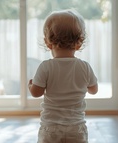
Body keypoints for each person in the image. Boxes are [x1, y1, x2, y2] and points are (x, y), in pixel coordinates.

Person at [28, 9, 98, 143]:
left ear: (48, 43)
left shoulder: (46, 66)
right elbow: (94, 90)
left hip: (51, 127)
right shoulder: (85, 67)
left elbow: (36, 93)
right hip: (76, 128)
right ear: (79, 43)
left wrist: (30, 85)